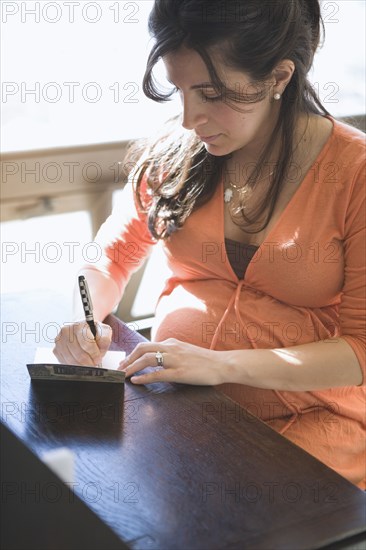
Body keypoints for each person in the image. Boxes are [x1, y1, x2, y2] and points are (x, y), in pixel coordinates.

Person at [54, 0, 365, 488]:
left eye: (213, 93)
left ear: (279, 77)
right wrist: (85, 318)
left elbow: (360, 350)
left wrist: (221, 366)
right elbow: (110, 256)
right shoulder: (175, 157)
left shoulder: (355, 176)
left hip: (310, 420)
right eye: (180, 90)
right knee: (84, 488)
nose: (188, 119)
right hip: (181, 405)